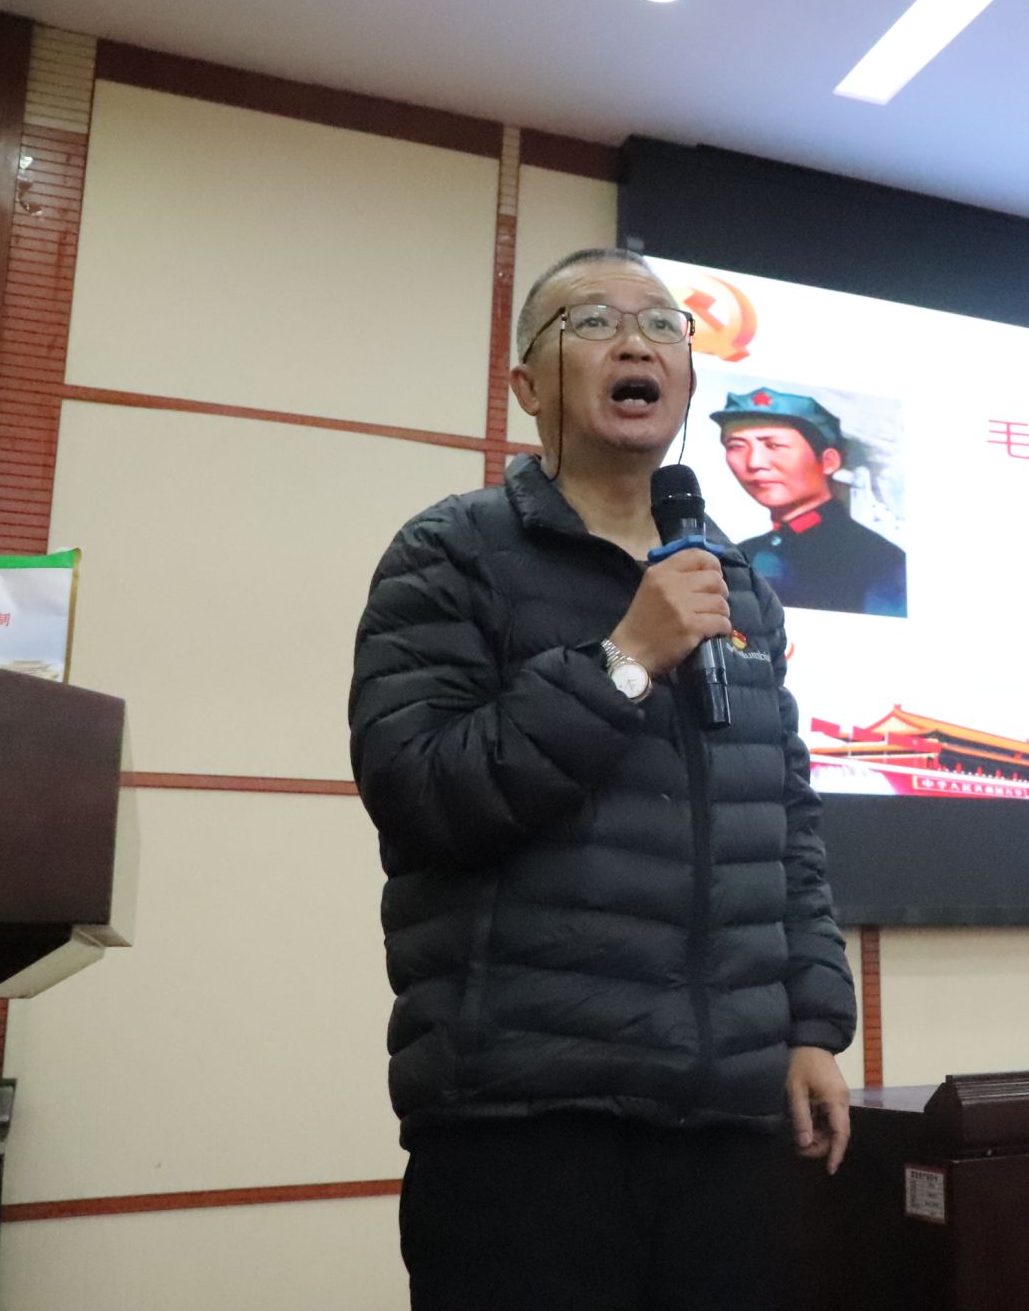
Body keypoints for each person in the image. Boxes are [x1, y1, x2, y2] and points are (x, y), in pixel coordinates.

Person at [349, 247, 856, 1311]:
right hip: (525, 1120)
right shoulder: (452, 554)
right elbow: (422, 792)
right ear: (528, 385)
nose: (637, 342)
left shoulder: (737, 589)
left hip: (726, 1121)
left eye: (663, 325)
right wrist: (625, 658)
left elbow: (785, 822)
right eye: (592, 322)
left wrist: (811, 1023)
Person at [713, 387, 908, 618]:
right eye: (736, 446)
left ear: (828, 461)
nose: (754, 462)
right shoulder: (742, 555)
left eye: (775, 445)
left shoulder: (878, 560)